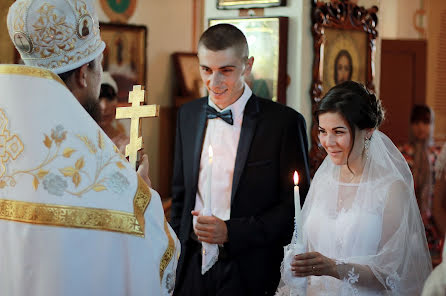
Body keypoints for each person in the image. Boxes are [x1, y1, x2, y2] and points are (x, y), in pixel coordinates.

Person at [1, 0, 179, 295]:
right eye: (99, 68)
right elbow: (155, 266)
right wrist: (143, 197)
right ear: (84, 73)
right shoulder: (115, 186)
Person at [170, 23, 311, 296]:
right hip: (191, 268)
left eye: (226, 70)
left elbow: (295, 209)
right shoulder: (187, 116)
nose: (214, 82)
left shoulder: (283, 123)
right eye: (206, 70)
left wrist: (231, 232)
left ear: (248, 66)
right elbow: (180, 195)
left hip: (252, 270)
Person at [277, 81, 432, 295]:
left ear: (368, 131)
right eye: (322, 131)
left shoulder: (391, 190)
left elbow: (391, 275)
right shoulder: (322, 182)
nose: (327, 142)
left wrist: (333, 267)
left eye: (338, 132)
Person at [399, 105, 442, 254]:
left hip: (434, 219)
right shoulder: (402, 153)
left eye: (426, 122)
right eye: (417, 123)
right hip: (408, 217)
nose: (421, 127)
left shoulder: (438, 154)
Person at [98, 72, 130, 154]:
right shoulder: (80, 138)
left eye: (109, 99)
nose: (104, 106)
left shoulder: (126, 145)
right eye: (98, 99)